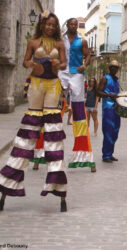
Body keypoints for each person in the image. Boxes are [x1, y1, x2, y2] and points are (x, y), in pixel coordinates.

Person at [0, 11, 68, 212]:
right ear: (42, 25)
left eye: (53, 25)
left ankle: (58, 187)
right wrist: (31, 64)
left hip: (52, 85)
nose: (50, 27)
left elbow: (64, 63)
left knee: (54, 134)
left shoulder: (59, 45)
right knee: (27, 132)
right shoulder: (33, 42)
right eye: (48, 24)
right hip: (37, 85)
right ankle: (7, 185)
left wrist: (58, 64)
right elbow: (25, 61)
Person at [58, 17, 95, 172]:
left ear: (77, 26)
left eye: (75, 24)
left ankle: (83, 153)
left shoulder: (83, 41)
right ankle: (43, 151)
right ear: (67, 25)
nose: (73, 26)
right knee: (54, 106)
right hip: (62, 72)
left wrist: (84, 65)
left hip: (76, 73)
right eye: (70, 24)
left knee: (79, 110)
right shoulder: (60, 39)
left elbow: (88, 56)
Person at [96, 60, 123, 163]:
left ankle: (110, 153)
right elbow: (98, 91)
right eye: (113, 67)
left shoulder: (116, 80)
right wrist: (109, 95)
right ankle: (106, 155)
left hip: (116, 108)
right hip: (108, 108)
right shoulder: (105, 78)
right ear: (109, 68)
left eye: (116, 68)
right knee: (108, 131)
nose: (114, 69)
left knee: (115, 131)